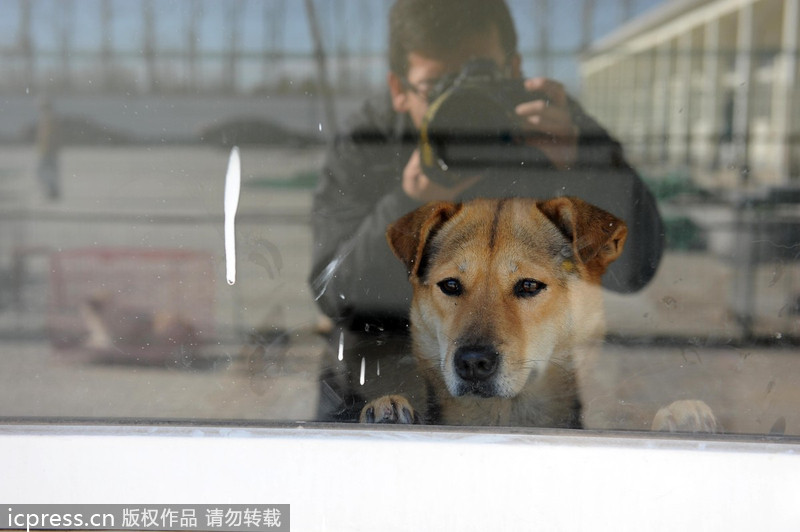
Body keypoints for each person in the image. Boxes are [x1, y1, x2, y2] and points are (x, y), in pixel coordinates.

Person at [309, 0, 664, 421]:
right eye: (439, 84)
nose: (464, 96)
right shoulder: (371, 143)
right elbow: (335, 295)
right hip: (372, 384)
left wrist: (580, 161)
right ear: (399, 91)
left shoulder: (551, 122)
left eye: (482, 75)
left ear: (513, 69)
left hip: (529, 399)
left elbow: (636, 269)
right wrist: (406, 200)